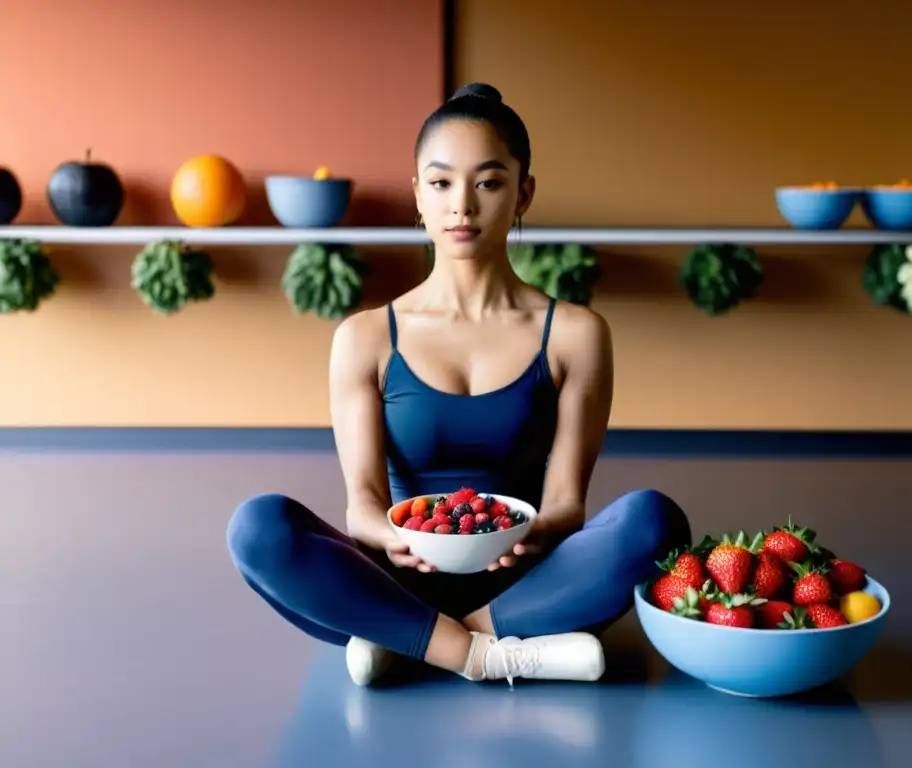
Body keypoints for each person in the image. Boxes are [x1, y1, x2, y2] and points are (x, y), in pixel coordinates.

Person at [226, 82, 691, 688]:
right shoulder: (366, 336)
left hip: (526, 576)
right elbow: (363, 504)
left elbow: (566, 503)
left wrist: (535, 531)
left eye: (489, 182)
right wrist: (393, 539)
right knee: (258, 527)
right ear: (419, 196)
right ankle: (479, 653)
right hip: (399, 569)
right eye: (441, 183)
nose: (461, 206)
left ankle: (406, 640)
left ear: (523, 192)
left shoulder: (576, 334)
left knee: (655, 522)